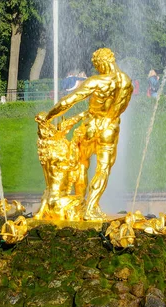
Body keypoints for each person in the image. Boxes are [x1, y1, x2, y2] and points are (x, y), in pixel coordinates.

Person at [36, 48, 133, 221]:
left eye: (96, 65)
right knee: (103, 170)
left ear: (100, 63)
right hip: (109, 128)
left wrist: (49, 115)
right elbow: (120, 108)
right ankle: (91, 206)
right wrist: (108, 120)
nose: (96, 68)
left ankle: (81, 205)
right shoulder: (125, 81)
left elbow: (69, 101)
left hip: (90, 126)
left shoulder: (96, 81)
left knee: (81, 163)